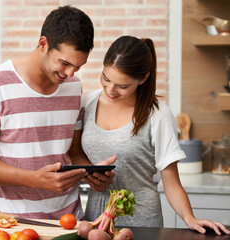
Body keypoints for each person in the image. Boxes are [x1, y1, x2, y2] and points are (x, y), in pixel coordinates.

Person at [0, 5, 116, 220]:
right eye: (64, 63)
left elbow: (72, 152)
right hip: (15, 226)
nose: (70, 73)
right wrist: (35, 179)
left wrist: (90, 173)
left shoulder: (73, 86)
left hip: (70, 222)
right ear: (43, 44)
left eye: (78, 66)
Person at [81, 35, 230, 235]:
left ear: (143, 79)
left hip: (142, 224)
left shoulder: (157, 114)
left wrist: (190, 218)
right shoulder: (86, 104)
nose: (110, 90)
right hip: (95, 222)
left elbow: (172, 183)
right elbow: (73, 153)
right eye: (106, 78)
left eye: (123, 86)